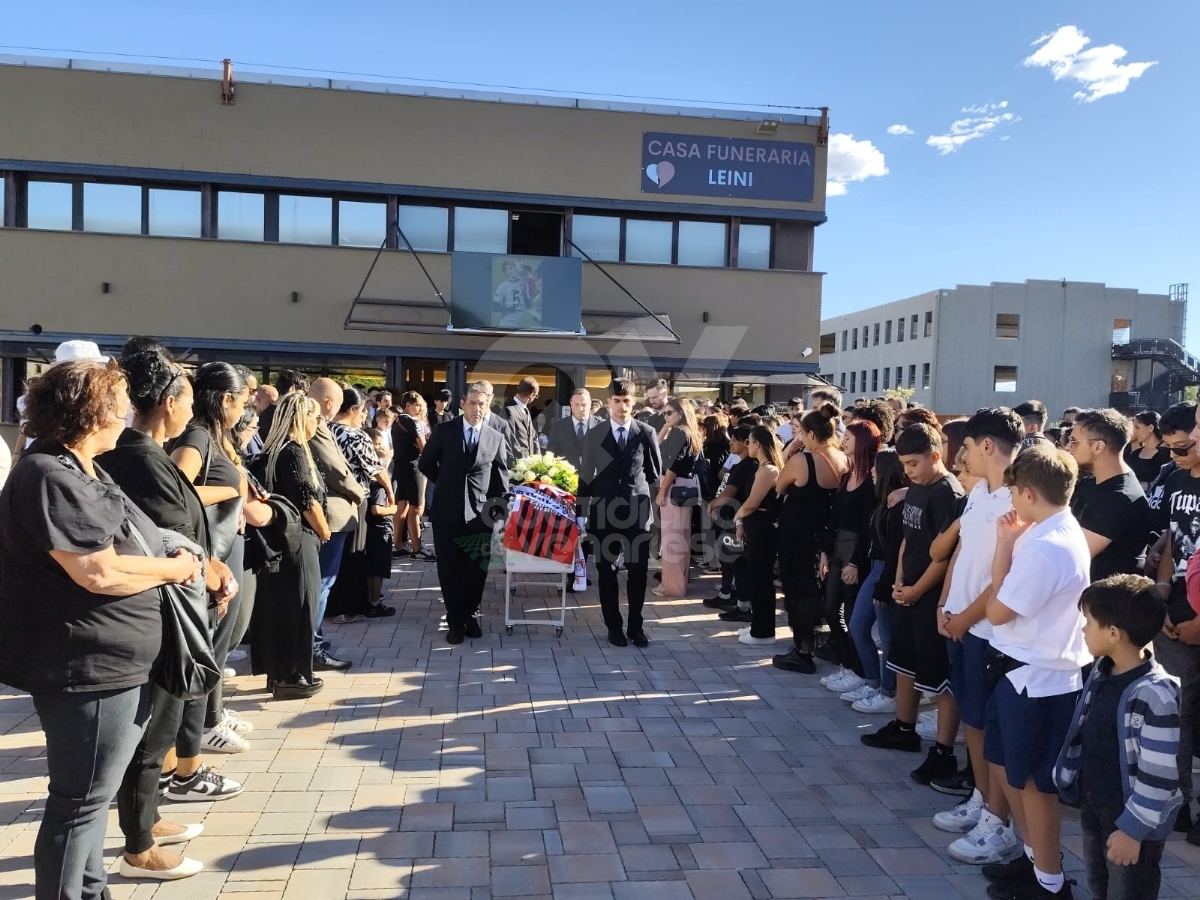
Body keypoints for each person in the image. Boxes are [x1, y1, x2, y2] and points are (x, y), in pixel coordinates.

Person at [0, 360, 204, 900]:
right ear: (93, 414)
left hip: (116, 664)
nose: (128, 414)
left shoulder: (84, 466)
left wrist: (179, 549)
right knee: (79, 802)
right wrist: (175, 571)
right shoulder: (48, 474)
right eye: (121, 405)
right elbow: (99, 571)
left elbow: (132, 533)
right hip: (87, 669)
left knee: (90, 798)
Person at [101, 351, 247, 880]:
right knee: (154, 722)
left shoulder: (146, 450)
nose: (193, 411)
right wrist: (213, 572)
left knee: (158, 722)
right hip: (160, 608)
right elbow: (168, 535)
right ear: (169, 403)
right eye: (187, 398)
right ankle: (138, 847)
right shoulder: (139, 457)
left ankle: (147, 818)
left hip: (169, 603)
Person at [980, 445, 1092, 900]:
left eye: (1013, 494)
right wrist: (1008, 544)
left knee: (1033, 783)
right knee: (1010, 770)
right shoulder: (1049, 529)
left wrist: (1004, 550)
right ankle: (1036, 863)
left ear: (1027, 493)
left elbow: (997, 609)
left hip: (1039, 678)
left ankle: (1050, 883)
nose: (1010, 504)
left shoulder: (1049, 545)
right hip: (1021, 672)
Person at [932, 408, 1024, 866]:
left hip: (989, 630)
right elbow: (963, 552)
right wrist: (944, 604)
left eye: (965, 447)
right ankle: (980, 797)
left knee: (990, 727)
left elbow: (1003, 578)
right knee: (972, 718)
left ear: (986, 446)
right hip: (962, 623)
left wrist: (965, 617)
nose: (959, 456)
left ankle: (998, 820)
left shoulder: (1019, 498)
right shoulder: (978, 492)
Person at [1055, 575, 1181, 900]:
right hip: (1095, 803)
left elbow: (1159, 776)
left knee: (1129, 891)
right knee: (1099, 883)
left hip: (1131, 816)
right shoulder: (1101, 671)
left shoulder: (1156, 695)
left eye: (1088, 623)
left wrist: (1133, 830)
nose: (1083, 630)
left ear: (1113, 633)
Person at [862, 424, 964, 773]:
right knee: (903, 662)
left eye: (913, 464)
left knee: (938, 677)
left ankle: (943, 751)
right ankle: (904, 728)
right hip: (908, 592)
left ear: (936, 456)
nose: (907, 471)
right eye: (903, 465)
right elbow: (908, 539)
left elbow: (945, 555)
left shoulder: (947, 492)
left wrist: (918, 590)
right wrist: (900, 580)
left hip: (932, 597)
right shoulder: (915, 489)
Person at [168, 363, 253, 761]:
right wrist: (226, 492)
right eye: (242, 401)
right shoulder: (198, 435)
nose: (245, 410)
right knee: (208, 644)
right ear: (224, 400)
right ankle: (197, 734)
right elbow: (174, 492)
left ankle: (210, 716)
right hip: (212, 554)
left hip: (226, 548)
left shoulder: (217, 435)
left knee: (220, 644)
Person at [251, 393, 329, 699]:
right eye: (316, 416)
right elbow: (307, 498)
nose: (318, 422)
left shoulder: (275, 450)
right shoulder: (294, 451)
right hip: (299, 540)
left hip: (281, 539)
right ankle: (292, 676)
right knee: (301, 607)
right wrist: (324, 530)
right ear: (301, 416)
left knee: (281, 606)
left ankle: (279, 673)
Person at [418, 382, 510, 644]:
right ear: (463, 403)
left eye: (482, 404)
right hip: (448, 512)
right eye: (472, 403)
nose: (476, 409)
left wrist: (499, 515)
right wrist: (446, 485)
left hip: (481, 516)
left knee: (475, 570)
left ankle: (470, 614)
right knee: (449, 568)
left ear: (487, 405)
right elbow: (425, 463)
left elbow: (501, 481)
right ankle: (455, 620)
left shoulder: (495, 436)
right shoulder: (445, 430)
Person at [577, 378, 663, 647]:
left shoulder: (645, 432)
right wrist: (581, 514)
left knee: (638, 572)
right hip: (603, 513)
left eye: (627, 401)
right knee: (606, 571)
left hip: (636, 514)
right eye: (616, 401)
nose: (622, 406)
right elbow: (585, 476)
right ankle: (613, 626)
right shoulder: (594, 433)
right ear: (609, 402)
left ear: (633, 402)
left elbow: (654, 472)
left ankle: (635, 627)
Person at [1152, 400, 1200, 844]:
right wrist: (1164, 596)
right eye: (1169, 450)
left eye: (1183, 448)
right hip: (1177, 614)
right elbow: (1171, 540)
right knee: (1177, 716)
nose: (1176, 457)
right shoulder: (1176, 480)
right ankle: (1182, 802)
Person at [771, 405, 848, 674]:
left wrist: (791, 451)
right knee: (821, 590)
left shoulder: (803, 460)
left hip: (798, 534)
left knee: (798, 590)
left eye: (802, 433)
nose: (799, 438)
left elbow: (780, 486)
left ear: (811, 435)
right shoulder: (842, 458)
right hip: (827, 533)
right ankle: (824, 644)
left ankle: (802, 650)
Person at [815, 419, 881, 683]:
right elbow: (834, 518)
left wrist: (854, 563)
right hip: (838, 548)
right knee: (831, 609)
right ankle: (849, 663)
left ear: (863, 442)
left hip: (858, 553)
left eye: (850, 438)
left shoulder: (872, 481)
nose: (843, 441)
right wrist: (824, 552)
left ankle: (861, 671)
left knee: (853, 615)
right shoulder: (846, 475)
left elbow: (868, 526)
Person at [306, 378, 366, 669]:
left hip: (325, 513)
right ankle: (312, 645)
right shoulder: (315, 424)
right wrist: (359, 493)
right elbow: (336, 470)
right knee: (322, 584)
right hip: (329, 514)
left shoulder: (311, 421)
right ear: (329, 402)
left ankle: (313, 639)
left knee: (322, 583)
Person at [844, 449, 906, 713]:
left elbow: (895, 549)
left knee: (888, 636)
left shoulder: (899, 505)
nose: (870, 471)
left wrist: (885, 582)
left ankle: (888, 692)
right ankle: (872, 680)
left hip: (886, 573)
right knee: (857, 626)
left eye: (876, 467)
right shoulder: (881, 501)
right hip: (873, 569)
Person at [327, 388, 397, 622]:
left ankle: (330, 606)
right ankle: (348, 608)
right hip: (355, 500)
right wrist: (389, 491)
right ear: (354, 409)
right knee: (354, 554)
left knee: (332, 554)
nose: (365, 415)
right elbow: (376, 469)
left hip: (327, 498)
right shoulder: (355, 435)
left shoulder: (325, 429)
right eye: (364, 409)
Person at [1067, 409, 1154, 581]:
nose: (1068, 447)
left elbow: (1072, 557)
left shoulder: (1121, 497)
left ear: (1098, 446)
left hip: (1109, 603)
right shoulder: (1089, 483)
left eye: (1074, 441)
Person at [731, 426, 783, 646]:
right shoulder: (761, 468)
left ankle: (763, 631)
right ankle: (757, 624)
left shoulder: (769, 470)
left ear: (758, 444)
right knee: (755, 577)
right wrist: (742, 520)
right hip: (755, 526)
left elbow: (752, 502)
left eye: (750, 442)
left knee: (761, 579)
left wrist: (738, 516)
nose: (748, 445)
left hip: (762, 528)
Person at [653, 397, 702, 598]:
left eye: (669, 413)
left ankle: (672, 586)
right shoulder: (687, 432)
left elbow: (673, 465)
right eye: (664, 413)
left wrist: (662, 490)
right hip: (683, 488)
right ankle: (677, 581)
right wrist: (666, 426)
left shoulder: (681, 433)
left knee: (672, 540)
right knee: (680, 539)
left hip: (673, 487)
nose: (665, 416)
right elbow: (656, 446)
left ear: (680, 413)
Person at [709, 426, 755, 615]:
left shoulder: (745, 465)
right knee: (729, 559)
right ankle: (728, 594)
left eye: (734, 439)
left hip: (736, 518)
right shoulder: (744, 464)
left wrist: (713, 503)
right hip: (734, 517)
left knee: (736, 561)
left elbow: (730, 492)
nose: (730, 442)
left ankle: (741, 603)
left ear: (746, 442)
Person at [392, 391, 435, 560]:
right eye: (415, 404)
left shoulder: (397, 420)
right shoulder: (411, 421)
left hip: (400, 467)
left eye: (419, 405)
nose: (418, 408)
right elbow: (424, 447)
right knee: (416, 508)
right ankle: (418, 549)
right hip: (413, 467)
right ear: (407, 405)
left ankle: (398, 545)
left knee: (402, 506)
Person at [364, 427, 398, 609]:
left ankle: (371, 598)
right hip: (379, 530)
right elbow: (377, 509)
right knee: (378, 569)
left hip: (372, 529)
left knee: (371, 568)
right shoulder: (378, 485)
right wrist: (393, 509)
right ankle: (374, 602)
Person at [547, 388, 599, 470]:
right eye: (577, 405)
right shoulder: (558, 427)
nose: (581, 409)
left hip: (595, 479)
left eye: (584, 405)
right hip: (567, 478)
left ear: (590, 404)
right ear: (571, 404)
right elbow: (551, 454)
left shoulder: (602, 426)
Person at [256, 369, 309, 447]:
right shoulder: (290, 415)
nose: (304, 398)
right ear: (292, 390)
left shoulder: (264, 414)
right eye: (303, 393)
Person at [1125, 411, 1170, 490]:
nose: (1134, 432)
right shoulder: (1136, 453)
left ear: (1150, 428)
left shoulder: (1166, 453)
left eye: (1137, 427)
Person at [501, 376, 541, 460]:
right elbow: (509, 440)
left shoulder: (526, 410)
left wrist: (537, 460)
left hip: (529, 464)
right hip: (517, 464)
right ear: (532, 395)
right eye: (536, 396)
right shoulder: (509, 411)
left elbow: (533, 437)